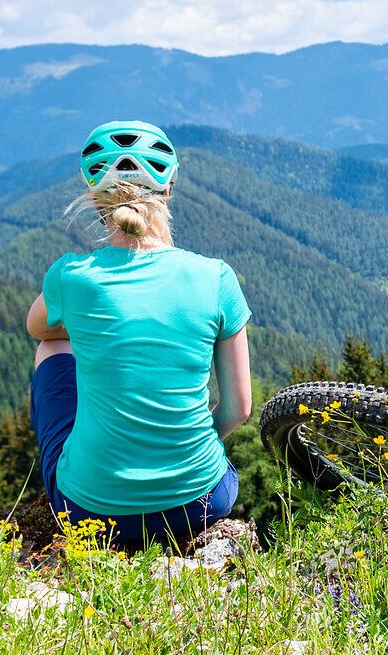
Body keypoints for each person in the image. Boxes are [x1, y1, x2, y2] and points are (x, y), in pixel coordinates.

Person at [24, 120, 252, 549]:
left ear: (94, 198)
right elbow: (239, 408)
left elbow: (38, 329)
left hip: (89, 513)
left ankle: (94, 466)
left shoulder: (72, 277)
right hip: (200, 501)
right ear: (169, 189)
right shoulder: (215, 277)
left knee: (52, 346)